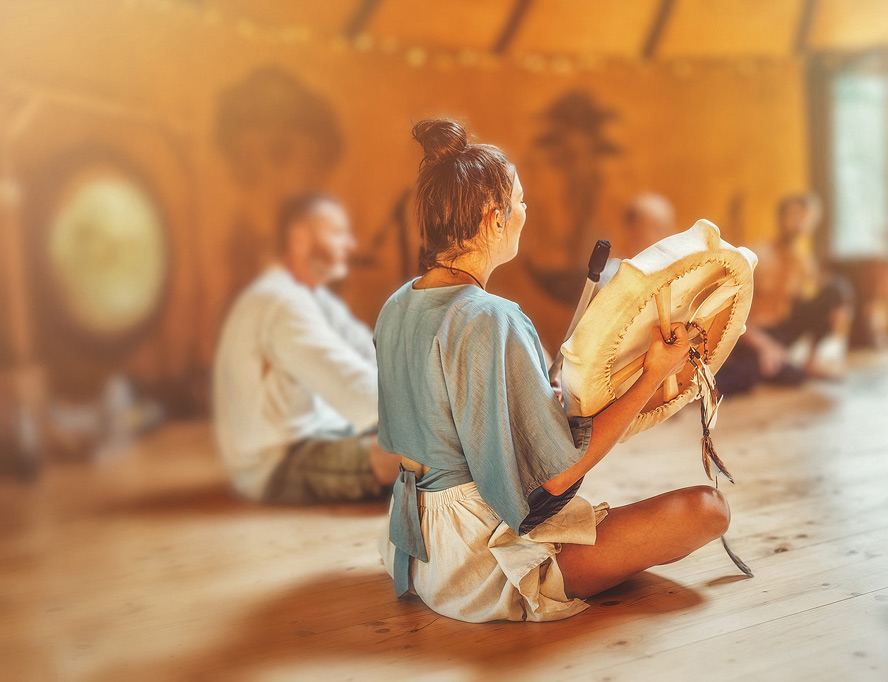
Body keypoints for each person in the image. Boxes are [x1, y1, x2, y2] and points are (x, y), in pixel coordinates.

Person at [374, 119, 730, 623]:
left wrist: (543, 395)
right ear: (493, 218)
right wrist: (653, 373)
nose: (525, 211)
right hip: (476, 561)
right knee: (708, 510)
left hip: (413, 546)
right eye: (519, 202)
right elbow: (555, 479)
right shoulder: (491, 317)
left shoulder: (397, 305)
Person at [213, 194, 399, 504]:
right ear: (300, 240)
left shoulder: (312, 297)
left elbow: (372, 354)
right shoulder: (279, 301)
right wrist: (435, 417)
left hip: (317, 436)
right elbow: (350, 383)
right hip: (275, 463)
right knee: (415, 454)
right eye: (338, 233)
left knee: (429, 442)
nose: (350, 244)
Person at [716, 193, 851, 395]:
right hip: (749, 334)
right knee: (762, 375)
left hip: (781, 331)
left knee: (835, 290)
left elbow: (804, 309)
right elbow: (732, 310)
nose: (799, 224)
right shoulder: (758, 255)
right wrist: (765, 347)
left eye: (805, 219)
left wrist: (834, 310)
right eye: (794, 217)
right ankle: (740, 373)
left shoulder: (803, 263)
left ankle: (809, 364)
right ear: (781, 218)